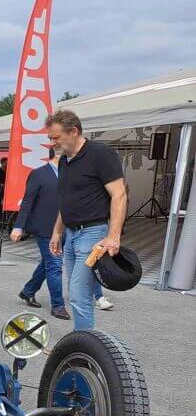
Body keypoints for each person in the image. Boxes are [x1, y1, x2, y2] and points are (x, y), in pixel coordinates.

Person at [47, 110, 126, 331]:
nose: (52, 142)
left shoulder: (100, 154)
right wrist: (57, 232)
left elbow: (119, 194)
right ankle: (82, 342)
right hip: (71, 235)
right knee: (76, 293)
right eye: (50, 138)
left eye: (56, 137)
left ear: (74, 131)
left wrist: (113, 236)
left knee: (80, 294)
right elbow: (67, 201)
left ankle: (82, 347)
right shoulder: (65, 161)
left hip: (92, 235)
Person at [11, 149, 69, 320]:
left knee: (47, 263)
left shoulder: (70, 175)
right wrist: (18, 226)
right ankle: (58, 306)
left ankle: (28, 291)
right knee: (54, 265)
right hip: (45, 229)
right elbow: (27, 201)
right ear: (59, 154)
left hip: (65, 227)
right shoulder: (38, 174)